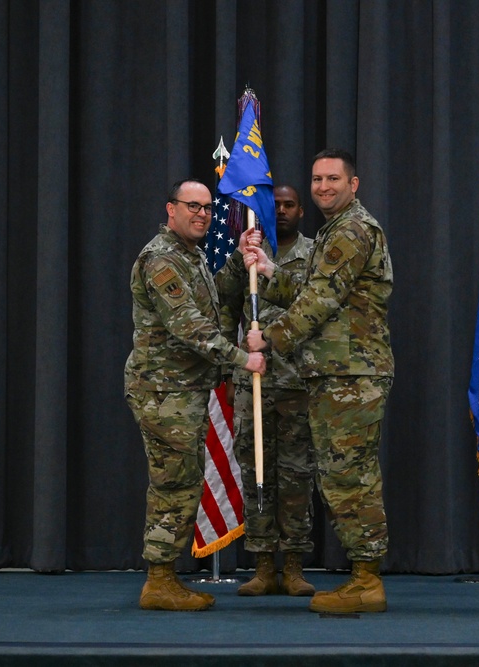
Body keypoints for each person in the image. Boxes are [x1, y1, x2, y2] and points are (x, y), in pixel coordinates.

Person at [242, 149, 394, 613]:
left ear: (355, 184)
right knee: (339, 476)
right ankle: (362, 575)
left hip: (352, 373)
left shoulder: (350, 230)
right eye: (317, 179)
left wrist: (267, 338)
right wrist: (269, 273)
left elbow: (321, 301)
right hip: (335, 371)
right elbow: (312, 288)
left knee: (351, 477)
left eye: (333, 178)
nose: (324, 186)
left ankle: (367, 580)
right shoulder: (335, 230)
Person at [124, 179, 267, 612]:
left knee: (184, 481)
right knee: (174, 484)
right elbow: (189, 325)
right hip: (163, 391)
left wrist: (241, 261)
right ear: (171, 209)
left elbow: (213, 300)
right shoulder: (162, 259)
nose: (202, 214)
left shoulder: (192, 257)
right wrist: (243, 359)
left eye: (207, 208)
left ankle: (164, 577)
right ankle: (159, 579)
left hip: (182, 389)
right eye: (192, 206)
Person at [214, 185, 317, 597]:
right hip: (252, 383)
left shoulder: (312, 253)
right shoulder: (247, 253)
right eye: (273, 206)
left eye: (289, 205)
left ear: (301, 211)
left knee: (296, 477)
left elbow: (316, 302)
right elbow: (222, 297)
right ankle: (261, 565)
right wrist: (242, 260)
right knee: (256, 473)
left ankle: (293, 565)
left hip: (297, 381)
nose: (281, 212)